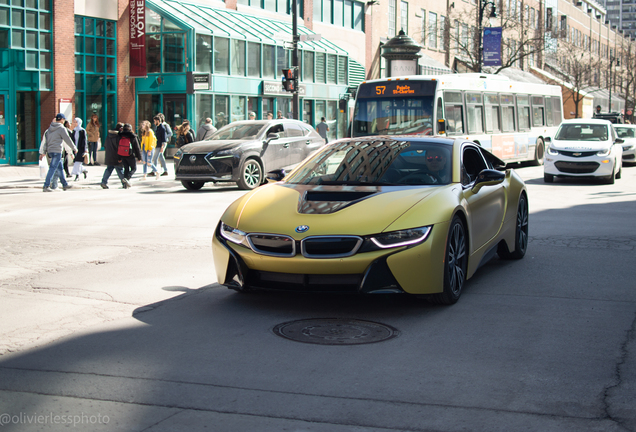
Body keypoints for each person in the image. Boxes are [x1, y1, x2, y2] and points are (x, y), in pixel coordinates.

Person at [39, 113, 77, 192]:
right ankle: (46, 186)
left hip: (50, 151)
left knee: (60, 168)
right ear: (62, 120)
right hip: (57, 151)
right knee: (52, 168)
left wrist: (43, 152)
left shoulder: (49, 129)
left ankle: (64, 184)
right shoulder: (61, 128)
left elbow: (45, 141)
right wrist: (74, 148)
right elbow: (67, 139)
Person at [100, 122, 129, 189]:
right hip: (117, 156)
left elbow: (105, 145)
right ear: (120, 128)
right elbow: (120, 147)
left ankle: (103, 182)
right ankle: (124, 183)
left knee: (109, 169)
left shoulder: (109, 135)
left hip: (109, 156)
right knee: (120, 170)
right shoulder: (119, 136)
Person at [70, 117, 89, 181]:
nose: (75, 123)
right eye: (74, 122)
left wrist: (86, 149)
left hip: (81, 148)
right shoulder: (74, 130)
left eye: (76, 122)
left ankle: (77, 175)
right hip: (75, 148)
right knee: (77, 162)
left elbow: (85, 140)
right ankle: (84, 170)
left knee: (77, 162)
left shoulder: (82, 130)